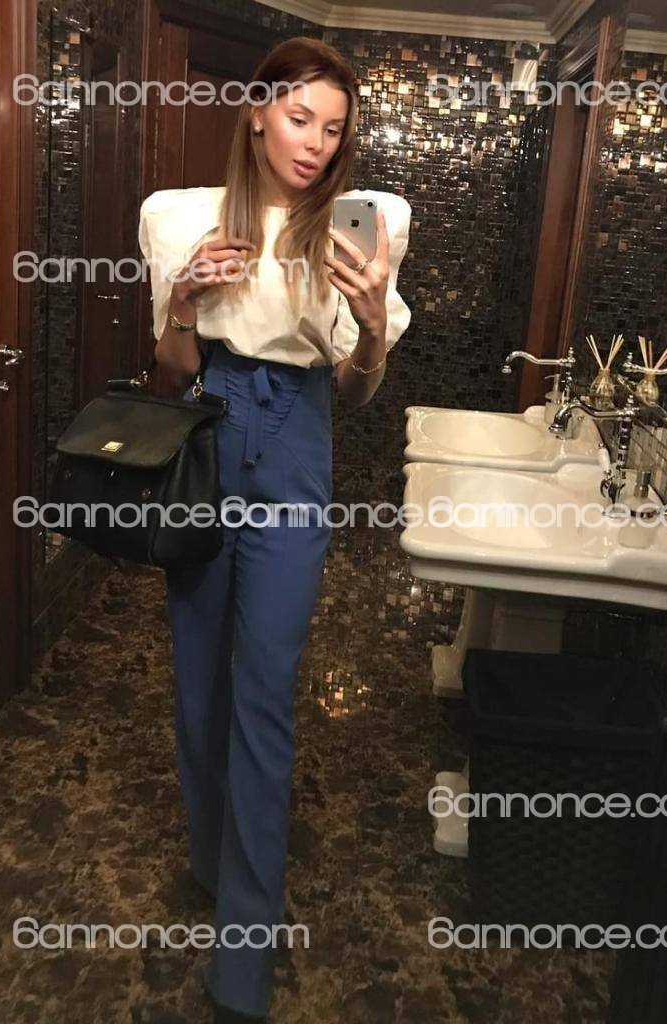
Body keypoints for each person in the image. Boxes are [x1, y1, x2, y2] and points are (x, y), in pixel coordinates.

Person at [137, 35, 412, 1024]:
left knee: (264, 692)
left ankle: (243, 953)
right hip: (210, 438)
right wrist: (182, 301)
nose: (314, 142)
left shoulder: (356, 230)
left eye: (332, 129)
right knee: (198, 684)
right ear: (257, 111)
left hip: (298, 446)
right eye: (300, 117)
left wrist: (370, 327)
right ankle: (211, 858)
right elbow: (171, 373)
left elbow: (356, 392)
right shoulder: (178, 217)